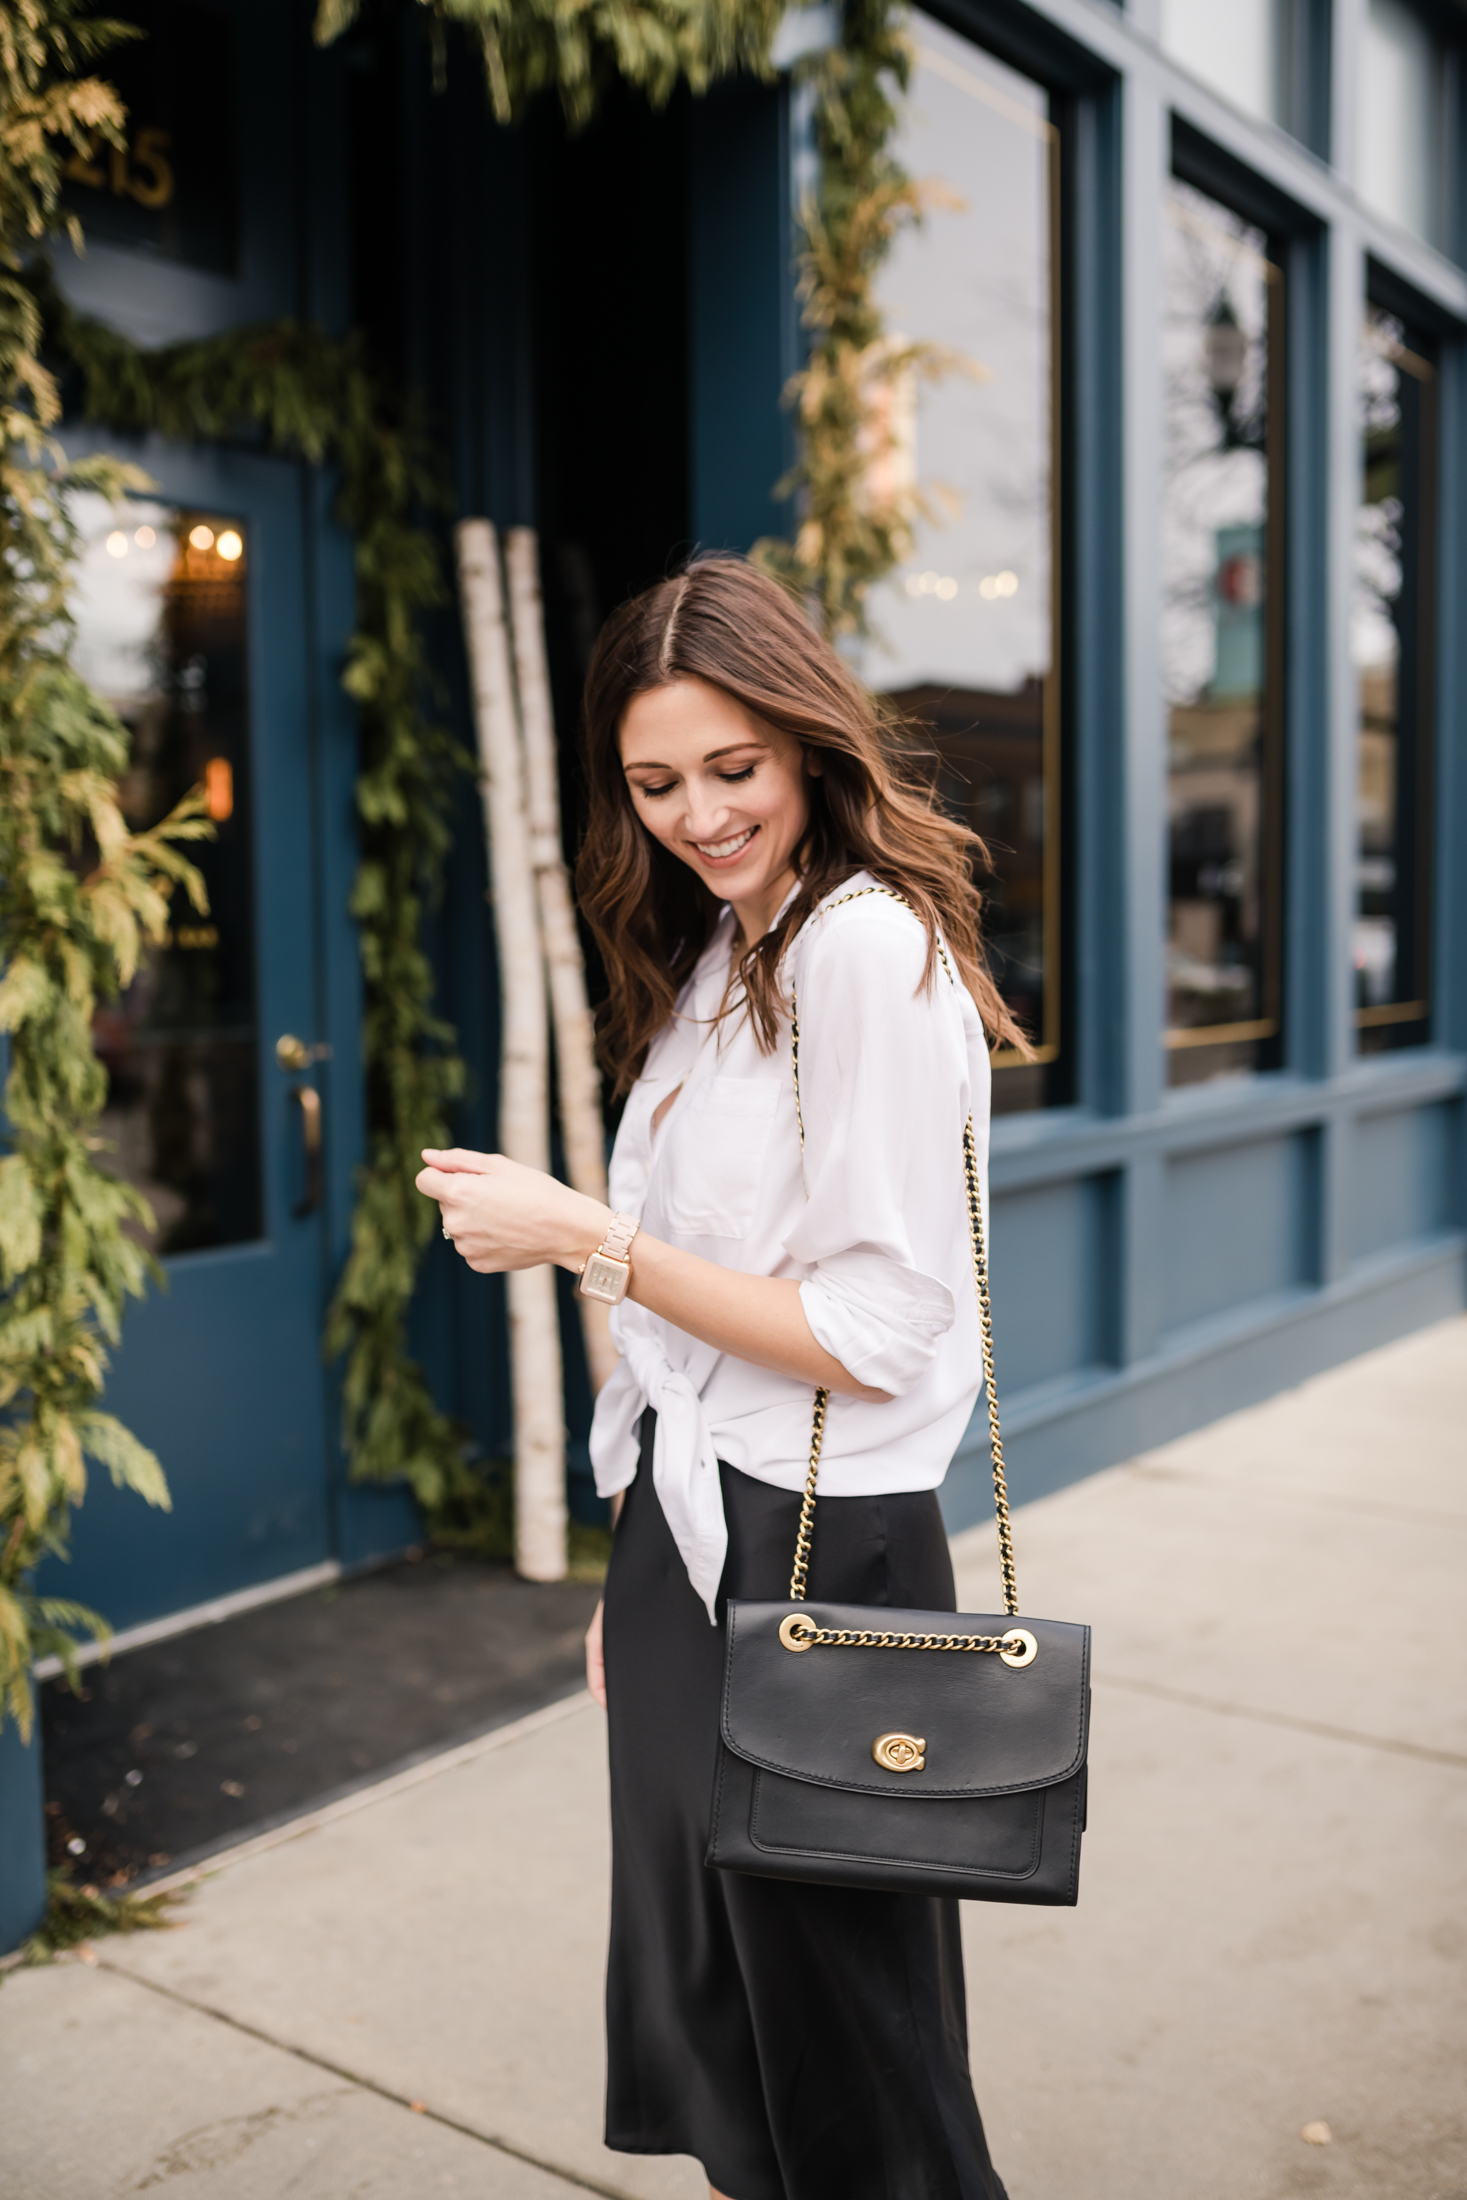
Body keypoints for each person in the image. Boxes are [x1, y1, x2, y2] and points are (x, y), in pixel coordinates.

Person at [417, 555, 1029, 2200]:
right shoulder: (721, 958)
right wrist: (644, 1574)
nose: (698, 813)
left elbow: (878, 1328)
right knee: (724, 2014)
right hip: (699, 1527)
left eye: (733, 770)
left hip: (820, 1535)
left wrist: (583, 1240)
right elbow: (703, 1343)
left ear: (808, 745)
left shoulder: (857, 949)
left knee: (850, 2059)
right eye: (656, 782)